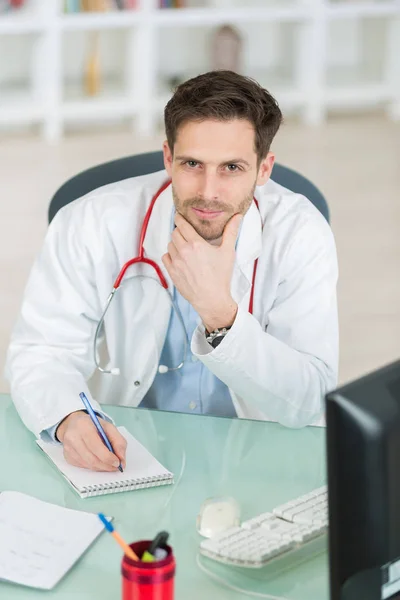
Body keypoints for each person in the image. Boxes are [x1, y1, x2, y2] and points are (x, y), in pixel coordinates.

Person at [5, 70, 338, 473]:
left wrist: (219, 313)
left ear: (264, 169)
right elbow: (42, 352)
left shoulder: (300, 233)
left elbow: (308, 399)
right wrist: (67, 419)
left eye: (231, 167)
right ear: (168, 158)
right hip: (129, 450)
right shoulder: (89, 221)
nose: (209, 191)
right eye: (192, 163)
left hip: (256, 450)